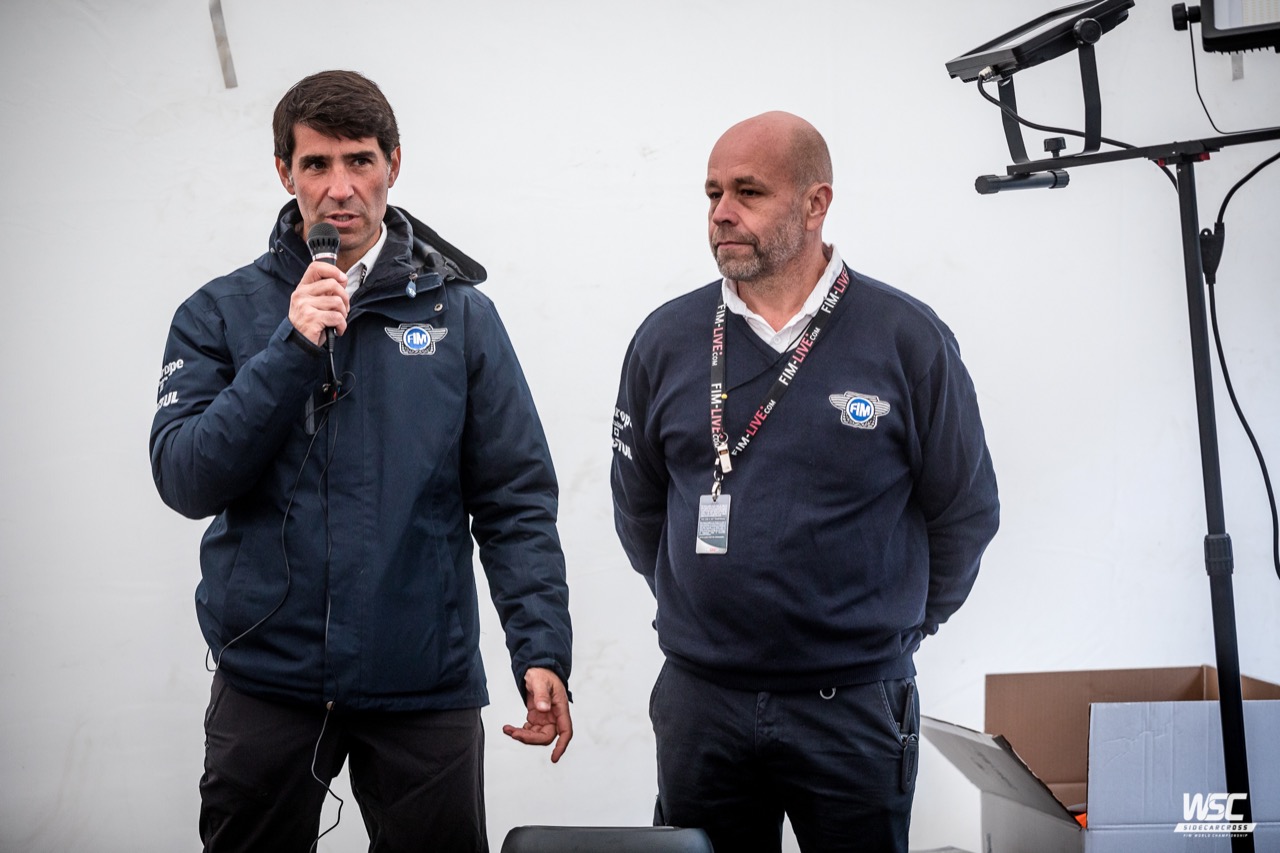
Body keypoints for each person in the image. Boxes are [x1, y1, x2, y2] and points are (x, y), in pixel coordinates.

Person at [150, 70, 573, 853]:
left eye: (360, 161)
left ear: (393, 165)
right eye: (316, 164)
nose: (340, 187)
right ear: (285, 172)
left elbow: (514, 498)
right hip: (268, 679)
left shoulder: (460, 316)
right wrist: (290, 347)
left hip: (423, 682)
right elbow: (186, 477)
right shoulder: (219, 312)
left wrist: (540, 645)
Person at [610, 111, 999, 853]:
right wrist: (704, 603)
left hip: (852, 704)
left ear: (816, 204)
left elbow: (965, 512)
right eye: (713, 193)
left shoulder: (906, 338)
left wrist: (893, 629)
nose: (722, 213)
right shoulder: (666, 338)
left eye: (748, 192)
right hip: (702, 702)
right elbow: (639, 507)